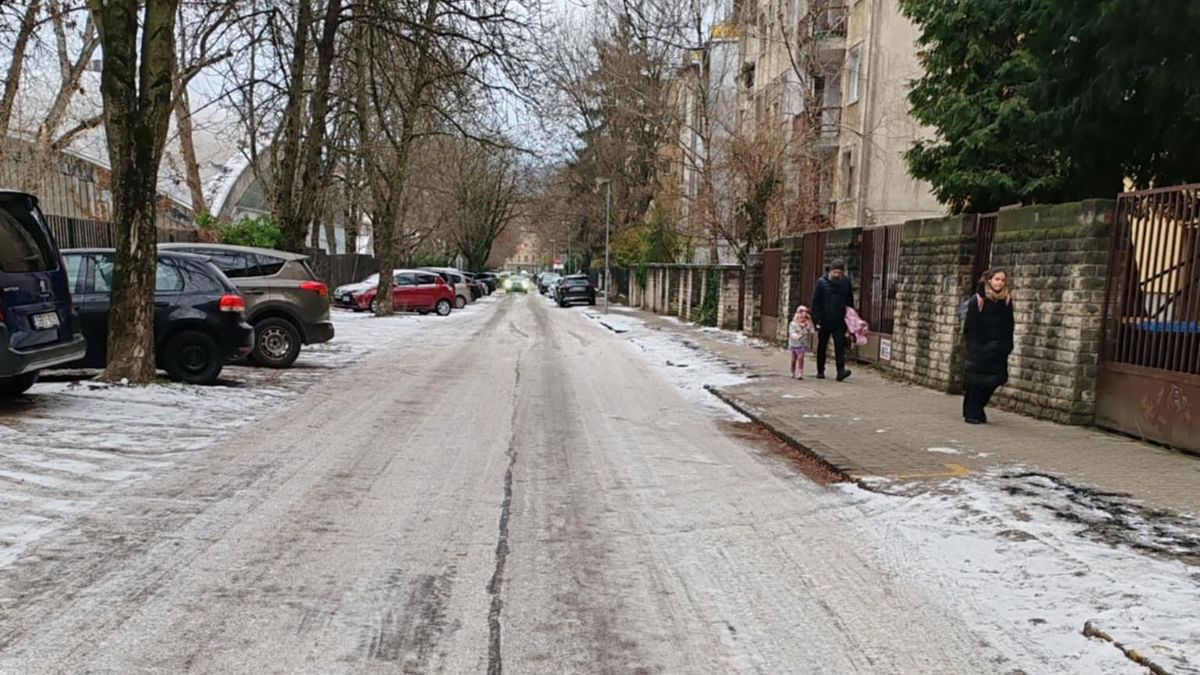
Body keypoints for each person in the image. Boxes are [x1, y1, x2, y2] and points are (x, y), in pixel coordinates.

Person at [962, 269, 1015, 424]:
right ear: (989, 280)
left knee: (996, 379)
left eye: (1002, 280)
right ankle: (972, 413)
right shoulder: (978, 299)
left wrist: (1007, 345)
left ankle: (978, 408)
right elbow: (969, 327)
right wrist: (975, 347)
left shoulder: (1006, 300)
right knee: (975, 382)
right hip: (979, 349)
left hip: (998, 350)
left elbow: (1009, 325)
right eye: (997, 279)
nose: (1000, 283)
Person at [811, 259, 855, 381]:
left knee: (840, 345)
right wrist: (816, 319)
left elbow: (850, 301)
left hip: (839, 320)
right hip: (824, 319)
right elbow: (816, 302)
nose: (836, 274)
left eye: (839, 272)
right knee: (822, 345)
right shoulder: (822, 282)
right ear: (830, 271)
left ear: (843, 272)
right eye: (835, 272)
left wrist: (850, 319)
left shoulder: (846, 283)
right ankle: (820, 370)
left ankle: (840, 371)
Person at [787, 305, 816, 379]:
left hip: (803, 344)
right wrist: (796, 336)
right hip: (794, 344)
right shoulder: (793, 324)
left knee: (801, 358)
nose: (802, 319)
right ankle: (792, 370)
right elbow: (791, 332)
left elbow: (812, 331)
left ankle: (800, 371)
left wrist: (809, 327)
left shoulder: (808, 323)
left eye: (804, 317)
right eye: (801, 317)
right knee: (794, 359)